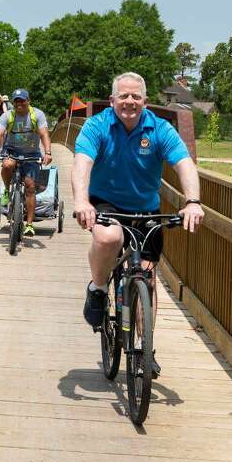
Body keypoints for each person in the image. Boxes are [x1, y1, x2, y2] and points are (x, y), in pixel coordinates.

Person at [72, 72, 204, 376]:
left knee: (147, 276)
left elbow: (184, 163)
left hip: (146, 210)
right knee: (108, 239)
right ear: (113, 99)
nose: (129, 102)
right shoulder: (98, 125)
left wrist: (193, 202)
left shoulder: (160, 129)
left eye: (136, 96)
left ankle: (146, 349)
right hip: (106, 201)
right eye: (123, 96)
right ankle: (99, 286)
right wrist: (82, 201)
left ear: (144, 101)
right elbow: (82, 163)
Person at [0, 89, 51, 237]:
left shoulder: (37, 115)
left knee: (30, 186)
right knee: (7, 165)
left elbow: (44, 134)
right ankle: (7, 191)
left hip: (31, 153)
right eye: (16, 101)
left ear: (28, 100)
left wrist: (47, 152)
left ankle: (29, 224)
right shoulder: (8, 115)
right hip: (11, 151)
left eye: (22, 100)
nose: (19, 103)